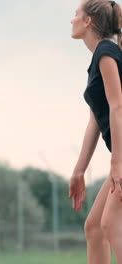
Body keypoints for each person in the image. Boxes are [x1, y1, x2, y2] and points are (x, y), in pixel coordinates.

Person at [69, 0, 122, 263]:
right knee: (94, 228)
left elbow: (118, 106)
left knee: (111, 224)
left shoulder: (106, 51)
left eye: (76, 14)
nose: (72, 19)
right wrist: (79, 170)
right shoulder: (100, 57)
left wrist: (117, 163)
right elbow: (95, 121)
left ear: (88, 21)